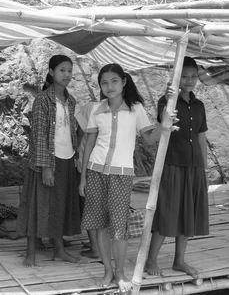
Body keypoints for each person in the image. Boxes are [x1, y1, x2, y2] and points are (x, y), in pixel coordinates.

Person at [79, 63, 178, 292]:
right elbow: (89, 145)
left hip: (122, 176)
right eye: (104, 82)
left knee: (118, 228)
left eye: (114, 81)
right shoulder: (97, 110)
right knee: (99, 226)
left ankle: (121, 273)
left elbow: (150, 139)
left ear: (124, 82)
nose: (109, 86)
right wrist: (83, 177)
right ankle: (108, 271)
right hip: (95, 172)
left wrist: (164, 123)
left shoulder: (136, 110)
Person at [145, 56, 209, 279]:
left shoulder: (200, 106)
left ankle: (179, 261)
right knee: (167, 212)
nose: (190, 80)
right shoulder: (167, 102)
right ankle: (151, 259)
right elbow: (163, 123)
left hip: (194, 167)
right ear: (176, 77)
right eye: (185, 75)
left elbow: (201, 139)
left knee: (188, 214)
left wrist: (205, 168)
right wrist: (169, 99)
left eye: (193, 76)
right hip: (172, 165)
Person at [16, 54, 81, 267]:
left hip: (66, 159)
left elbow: (73, 132)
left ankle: (59, 250)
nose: (67, 75)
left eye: (69, 71)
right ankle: (30, 253)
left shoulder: (71, 101)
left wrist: (76, 158)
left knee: (59, 206)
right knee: (39, 204)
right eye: (62, 70)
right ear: (52, 72)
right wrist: (46, 167)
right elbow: (39, 135)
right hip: (46, 161)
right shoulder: (42, 99)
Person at [75, 102, 99, 259]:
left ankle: (95, 248)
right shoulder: (123, 110)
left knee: (88, 208)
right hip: (105, 165)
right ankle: (97, 245)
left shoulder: (91, 107)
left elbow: (80, 132)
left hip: (88, 164)